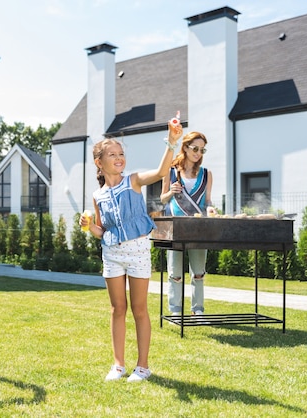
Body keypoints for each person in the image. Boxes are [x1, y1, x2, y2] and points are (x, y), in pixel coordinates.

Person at [80, 119, 183, 382]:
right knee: (117, 309)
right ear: (99, 162)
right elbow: (102, 231)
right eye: (112, 154)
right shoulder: (97, 195)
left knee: (139, 309)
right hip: (111, 254)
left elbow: (161, 171)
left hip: (138, 253)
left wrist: (172, 141)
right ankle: (118, 365)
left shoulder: (134, 181)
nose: (119, 158)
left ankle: (143, 366)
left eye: (121, 154)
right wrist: (89, 225)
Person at [160, 131, 216, 317]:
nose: (198, 153)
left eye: (202, 150)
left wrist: (210, 209)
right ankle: (175, 311)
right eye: (195, 148)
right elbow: (162, 199)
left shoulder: (207, 175)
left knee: (198, 272)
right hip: (175, 228)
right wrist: (171, 192)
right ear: (185, 147)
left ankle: (197, 311)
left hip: (199, 229)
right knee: (175, 273)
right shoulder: (170, 171)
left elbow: (208, 201)